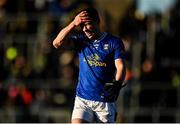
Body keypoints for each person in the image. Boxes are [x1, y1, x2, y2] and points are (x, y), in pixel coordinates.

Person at [52, 7, 126, 123]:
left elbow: (120, 66)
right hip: (83, 99)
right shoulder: (81, 41)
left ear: (97, 22)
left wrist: (117, 83)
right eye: (82, 26)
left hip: (104, 101)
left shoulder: (114, 42)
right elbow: (56, 43)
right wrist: (73, 23)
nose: (85, 29)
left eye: (88, 24)